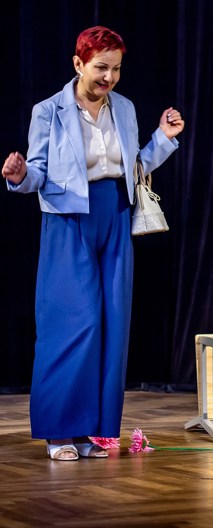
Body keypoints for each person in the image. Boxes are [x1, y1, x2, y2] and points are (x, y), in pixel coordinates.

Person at [1, 26, 184, 461]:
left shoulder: (125, 107)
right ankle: (60, 432)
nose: (109, 77)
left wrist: (163, 139)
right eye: (101, 67)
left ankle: (94, 431)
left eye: (116, 69)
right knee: (72, 324)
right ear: (78, 64)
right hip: (68, 220)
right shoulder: (49, 111)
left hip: (115, 215)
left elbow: (133, 166)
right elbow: (39, 171)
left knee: (111, 325)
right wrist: (20, 177)